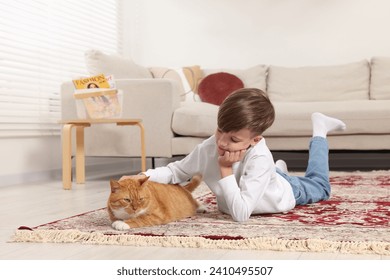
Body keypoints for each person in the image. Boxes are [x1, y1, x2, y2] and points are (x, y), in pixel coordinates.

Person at [124, 88, 346, 222]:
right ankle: (277, 172)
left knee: (321, 187)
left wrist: (225, 169)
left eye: (234, 140)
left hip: (285, 194)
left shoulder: (259, 157)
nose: (221, 142)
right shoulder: (209, 146)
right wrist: (142, 177)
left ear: (255, 140)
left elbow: (240, 214)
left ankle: (320, 130)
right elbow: (177, 171)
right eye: (220, 130)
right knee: (269, 174)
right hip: (263, 178)